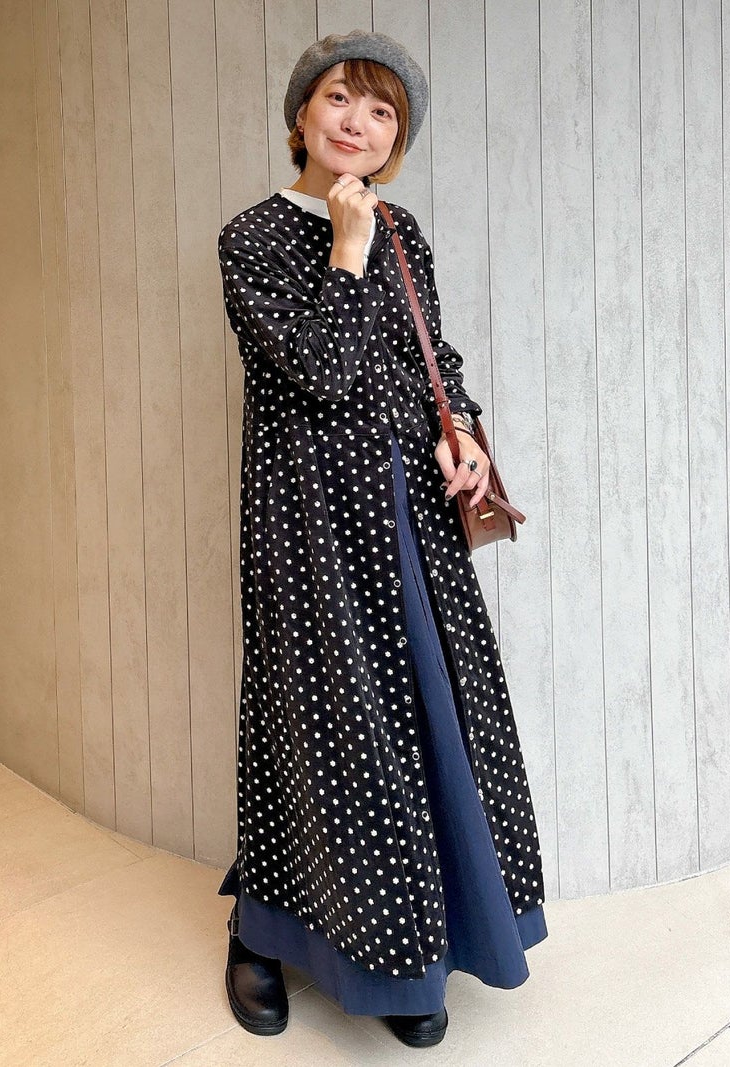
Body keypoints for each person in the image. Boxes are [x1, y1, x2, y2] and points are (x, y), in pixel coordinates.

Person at [215, 30, 548, 1049]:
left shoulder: (403, 231)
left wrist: (462, 431)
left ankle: (412, 947)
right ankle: (261, 930)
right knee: (318, 718)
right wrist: (345, 249)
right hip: (309, 521)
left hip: (406, 511)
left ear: (395, 139)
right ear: (299, 118)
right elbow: (318, 371)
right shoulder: (251, 238)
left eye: (380, 111)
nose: (356, 122)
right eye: (337, 99)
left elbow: (425, 353)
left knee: (425, 719)